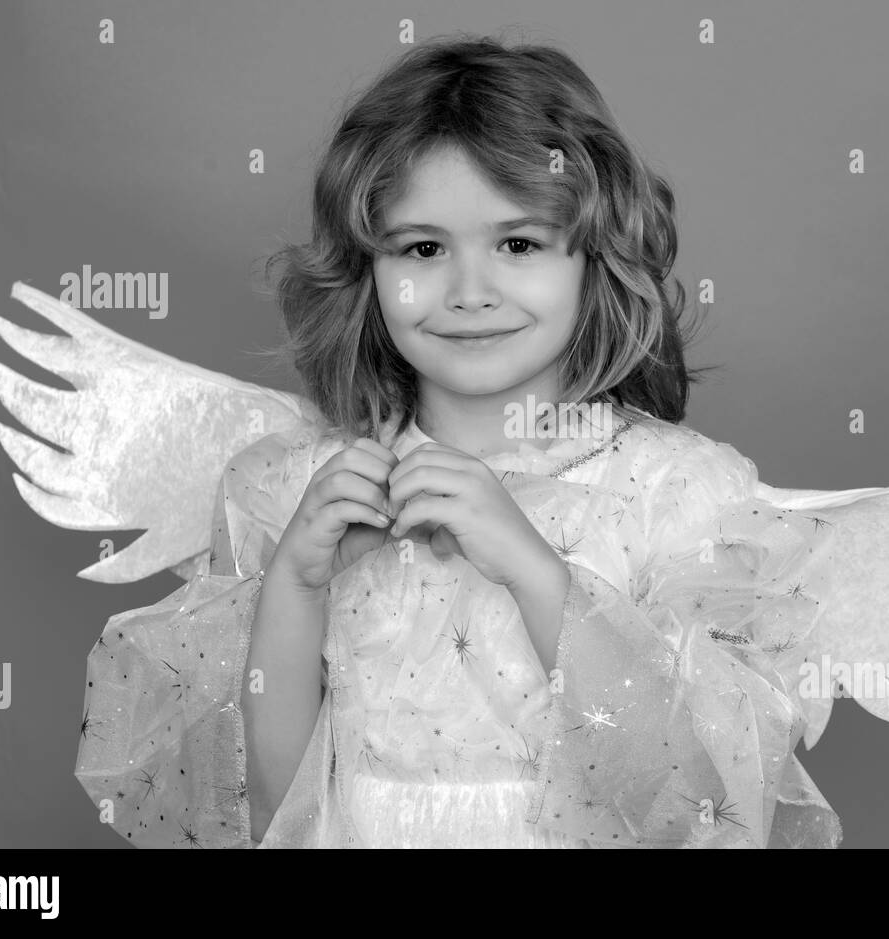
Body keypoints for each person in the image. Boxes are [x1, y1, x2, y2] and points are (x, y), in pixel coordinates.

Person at [72, 34, 842, 848]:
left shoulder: (676, 498)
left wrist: (536, 570)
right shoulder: (295, 490)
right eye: (423, 248)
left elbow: (696, 806)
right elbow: (266, 813)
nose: (470, 292)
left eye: (519, 244)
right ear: (367, 268)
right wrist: (293, 585)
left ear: (595, 257)